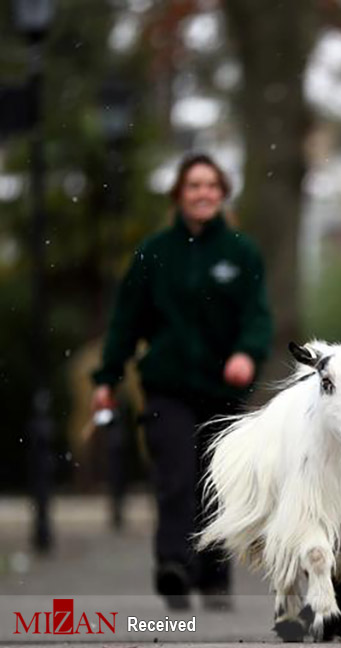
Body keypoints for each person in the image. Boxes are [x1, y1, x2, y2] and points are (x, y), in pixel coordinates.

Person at [91, 153, 273, 611]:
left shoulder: (241, 252)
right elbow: (125, 322)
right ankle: (173, 565)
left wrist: (245, 354)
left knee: (216, 482)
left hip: (222, 388)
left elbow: (257, 317)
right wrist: (107, 377)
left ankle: (214, 575)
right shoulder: (154, 253)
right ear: (179, 194)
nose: (203, 193)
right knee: (175, 477)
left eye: (211, 185)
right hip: (167, 387)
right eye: (194, 185)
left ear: (222, 193)